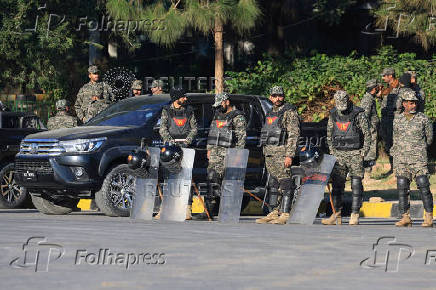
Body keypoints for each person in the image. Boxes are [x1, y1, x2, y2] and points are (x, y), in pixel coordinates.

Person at [322, 90, 370, 226]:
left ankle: (354, 214)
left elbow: (367, 134)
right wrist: (332, 151)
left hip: (355, 153)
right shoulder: (333, 114)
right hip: (339, 153)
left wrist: (364, 151)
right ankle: (336, 214)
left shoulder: (358, 113)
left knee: (356, 184)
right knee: (337, 185)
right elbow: (329, 133)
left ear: (348, 101)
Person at [255, 86, 300, 225]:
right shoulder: (270, 112)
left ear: (283, 96)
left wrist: (289, 155)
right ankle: (275, 211)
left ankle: (285, 213)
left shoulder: (289, 112)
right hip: (270, 153)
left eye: (280, 95)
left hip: (282, 153)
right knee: (273, 184)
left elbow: (294, 134)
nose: (277, 98)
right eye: (274, 96)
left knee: (286, 182)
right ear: (270, 97)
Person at [391, 88, 433, 227]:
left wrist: (418, 148)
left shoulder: (423, 119)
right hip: (401, 158)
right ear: (403, 104)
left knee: (423, 185)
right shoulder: (397, 119)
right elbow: (395, 138)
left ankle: (428, 217)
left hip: (418, 158)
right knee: (402, 186)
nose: (413, 105)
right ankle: (405, 217)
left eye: (414, 103)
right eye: (409, 103)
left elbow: (429, 139)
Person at [157, 87, 197, 220]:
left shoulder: (189, 111)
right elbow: (162, 128)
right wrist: (170, 141)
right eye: (183, 96)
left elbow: (194, 129)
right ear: (176, 98)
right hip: (171, 148)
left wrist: (188, 141)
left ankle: (187, 209)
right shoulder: (166, 111)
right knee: (168, 178)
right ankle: (164, 209)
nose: (185, 98)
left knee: (186, 178)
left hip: (185, 147)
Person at [206, 92, 247, 217]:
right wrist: (209, 149)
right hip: (215, 154)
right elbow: (212, 133)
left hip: (230, 154)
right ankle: (211, 208)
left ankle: (229, 209)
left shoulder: (237, 117)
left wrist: (238, 155)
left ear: (227, 102)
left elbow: (241, 138)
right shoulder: (217, 115)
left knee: (229, 182)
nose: (218, 107)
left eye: (220, 104)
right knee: (212, 177)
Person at [379, 67, 400, 174]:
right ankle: (393, 168)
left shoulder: (399, 87)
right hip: (385, 120)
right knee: (387, 144)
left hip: (394, 120)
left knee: (395, 144)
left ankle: (398, 168)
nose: (383, 78)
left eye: (384, 76)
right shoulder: (388, 88)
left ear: (390, 76)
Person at [360, 79, 380, 170]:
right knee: (370, 151)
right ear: (374, 88)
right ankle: (367, 171)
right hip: (369, 130)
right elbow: (365, 116)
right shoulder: (368, 99)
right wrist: (368, 129)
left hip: (372, 128)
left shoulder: (370, 98)